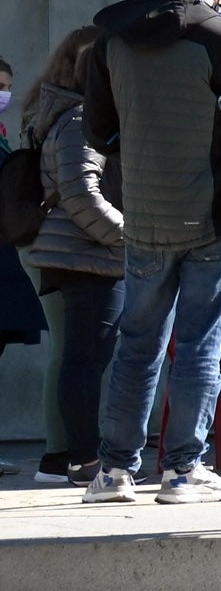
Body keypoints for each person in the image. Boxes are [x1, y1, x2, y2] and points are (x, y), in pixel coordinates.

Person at [77, 0, 221, 504]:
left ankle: (112, 472)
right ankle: (183, 471)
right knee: (201, 343)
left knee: (137, 341)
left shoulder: (110, 39)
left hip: (144, 214)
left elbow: (98, 131)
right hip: (213, 214)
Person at [21, 26, 126, 482]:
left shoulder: (52, 111)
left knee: (71, 355)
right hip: (86, 253)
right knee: (85, 359)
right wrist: (129, 234)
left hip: (65, 251)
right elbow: (82, 195)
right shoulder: (81, 118)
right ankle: (79, 458)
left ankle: (62, 455)